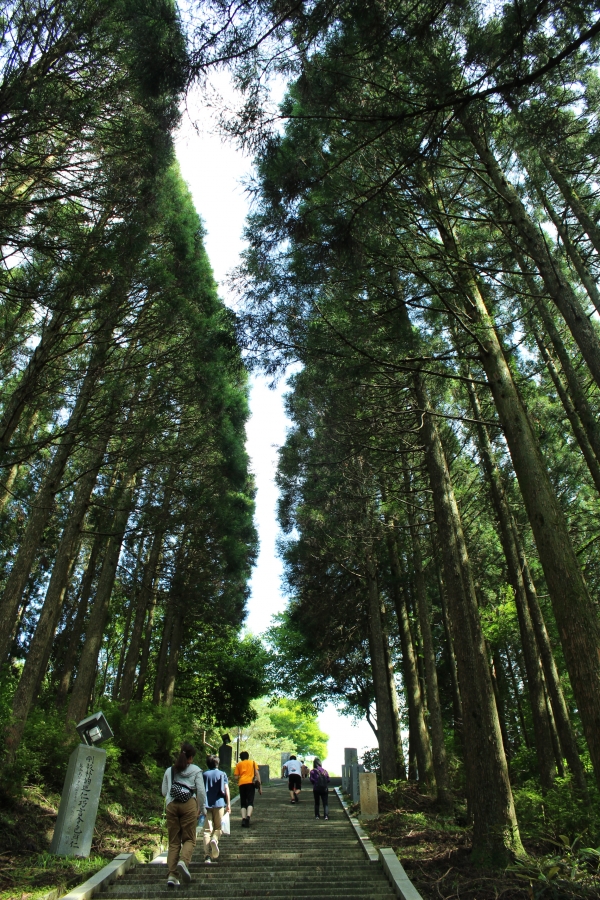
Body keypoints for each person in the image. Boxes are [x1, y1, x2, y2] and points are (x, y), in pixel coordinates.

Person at [161, 741, 206, 888]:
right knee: (189, 839)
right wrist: (201, 807)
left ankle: (172, 875)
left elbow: (164, 791)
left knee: (174, 842)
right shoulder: (196, 770)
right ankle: (183, 862)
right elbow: (200, 791)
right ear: (191, 757)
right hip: (189, 805)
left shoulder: (170, 770)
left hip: (171, 805)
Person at [202, 754, 231, 864]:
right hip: (219, 804)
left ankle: (207, 856)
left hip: (206, 805)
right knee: (218, 828)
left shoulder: (204, 774)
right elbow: (226, 789)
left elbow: (200, 791)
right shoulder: (222, 774)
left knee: (206, 831)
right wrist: (228, 804)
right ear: (217, 763)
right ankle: (214, 839)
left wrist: (198, 806)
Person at [233, 750, 261, 827]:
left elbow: (235, 777)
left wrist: (241, 775)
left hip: (242, 783)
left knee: (243, 802)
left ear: (241, 758)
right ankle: (248, 817)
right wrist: (259, 786)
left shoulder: (239, 764)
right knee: (250, 801)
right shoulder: (253, 763)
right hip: (250, 783)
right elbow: (257, 773)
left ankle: (243, 819)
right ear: (248, 757)